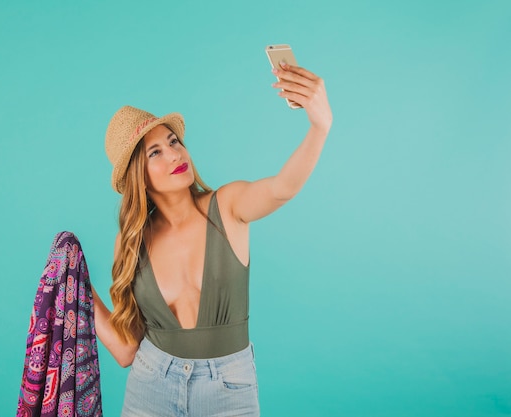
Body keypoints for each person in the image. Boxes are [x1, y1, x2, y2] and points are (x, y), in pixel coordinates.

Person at [92, 62, 332, 417]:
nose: (174, 154)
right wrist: (77, 286)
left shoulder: (228, 205)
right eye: (154, 152)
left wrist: (320, 125)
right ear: (137, 178)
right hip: (151, 386)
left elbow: (283, 188)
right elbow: (127, 351)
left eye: (173, 141)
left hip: (228, 389)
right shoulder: (130, 245)